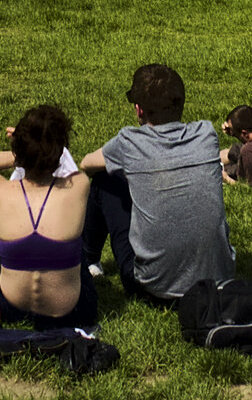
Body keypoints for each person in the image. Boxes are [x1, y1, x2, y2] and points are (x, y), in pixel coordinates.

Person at [78, 63, 234, 304]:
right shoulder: (206, 133)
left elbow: (86, 164)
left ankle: (89, 260)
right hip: (217, 283)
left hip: (153, 288)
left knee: (103, 179)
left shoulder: (129, 141)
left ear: (139, 110)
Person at [0, 105, 99, 329]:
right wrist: (43, 145)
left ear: (19, 150)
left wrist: (21, 150)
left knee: (12, 246)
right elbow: (67, 162)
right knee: (74, 247)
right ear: (59, 150)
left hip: (9, 308)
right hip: (71, 313)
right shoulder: (79, 185)